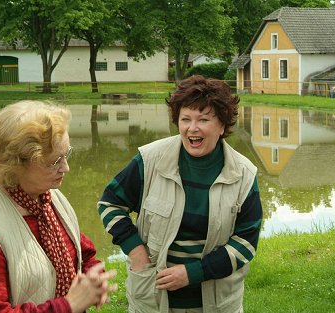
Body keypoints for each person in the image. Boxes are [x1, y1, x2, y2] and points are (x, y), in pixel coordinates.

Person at [98, 75, 263, 313]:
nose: (192, 128)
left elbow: (245, 243)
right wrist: (136, 251)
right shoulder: (150, 160)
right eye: (185, 119)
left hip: (217, 305)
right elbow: (109, 204)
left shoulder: (244, 174)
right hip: (152, 300)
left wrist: (193, 273)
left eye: (203, 119)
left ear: (223, 125)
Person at [0, 101, 117, 313]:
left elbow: (79, 249)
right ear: (15, 164)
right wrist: (69, 305)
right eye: (54, 161)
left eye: (66, 154)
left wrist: (91, 274)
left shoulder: (47, 196)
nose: (65, 167)